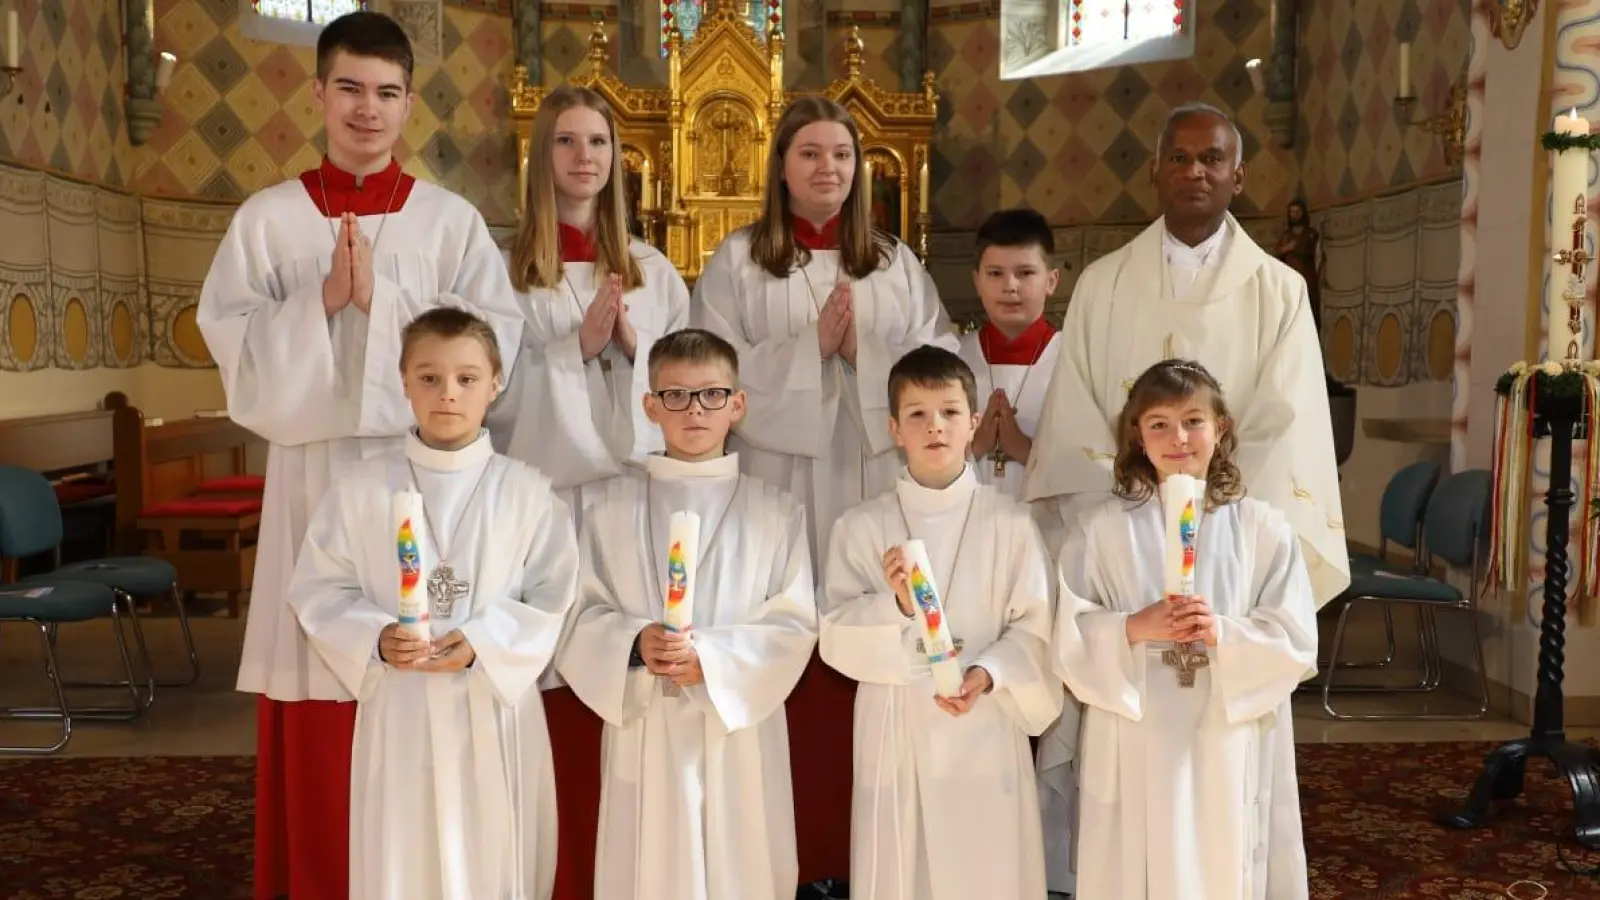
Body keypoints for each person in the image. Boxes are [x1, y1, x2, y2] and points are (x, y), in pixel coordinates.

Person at [193, 12, 524, 900]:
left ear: (409, 101)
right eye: (349, 88)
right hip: (315, 476)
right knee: (320, 670)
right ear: (318, 94)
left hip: (421, 482)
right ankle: (319, 875)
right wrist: (322, 301)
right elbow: (227, 337)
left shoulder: (450, 221)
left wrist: (385, 303)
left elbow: (497, 339)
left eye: (386, 92)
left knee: (423, 663)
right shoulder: (267, 220)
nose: (367, 110)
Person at [691, 95, 957, 892]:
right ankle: (786, 850)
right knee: (783, 635)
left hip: (873, 472)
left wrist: (865, 353)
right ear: (780, 166)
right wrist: (809, 351)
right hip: (774, 476)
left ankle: (864, 853)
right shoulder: (738, 260)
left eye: (841, 155)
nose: (827, 169)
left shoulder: (894, 261)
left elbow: (937, 363)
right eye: (810, 154)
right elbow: (711, 369)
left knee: (869, 625)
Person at [287, 306, 579, 900]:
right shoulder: (363, 488)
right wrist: (372, 635)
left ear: (495, 385)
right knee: (404, 851)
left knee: (495, 848)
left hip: (492, 708)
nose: (448, 393)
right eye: (429, 377)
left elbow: (555, 595)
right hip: (402, 706)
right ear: (403, 382)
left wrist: (485, 642)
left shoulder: (527, 493)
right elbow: (318, 586)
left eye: (467, 379)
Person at [485, 85, 691, 898]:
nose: (584, 158)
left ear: (619, 160)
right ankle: (548, 865)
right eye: (567, 142)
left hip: (627, 504)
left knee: (618, 670)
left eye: (598, 143)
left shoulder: (654, 271)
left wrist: (636, 349)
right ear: (543, 157)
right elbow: (488, 394)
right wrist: (576, 347)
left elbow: (692, 389)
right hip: (541, 502)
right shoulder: (503, 270)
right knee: (545, 679)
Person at [1025, 101, 1348, 606]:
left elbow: (1285, 424)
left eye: (1212, 159)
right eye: (1178, 158)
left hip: (1233, 537)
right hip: (1123, 535)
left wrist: (1214, 509)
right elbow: (1076, 416)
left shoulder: (1281, 292)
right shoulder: (1101, 285)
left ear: (1237, 177)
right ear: (1154, 172)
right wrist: (1133, 508)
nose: (1195, 170)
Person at [558, 328, 817, 900]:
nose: (694, 410)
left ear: (738, 404)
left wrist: (714, 662)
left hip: (738, 735)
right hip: (645, 728)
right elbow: (577, 615)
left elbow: (795, 624)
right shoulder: (611, 512)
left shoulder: (774, 513)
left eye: (711, 395)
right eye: (675, 396)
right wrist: (633, 644)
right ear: (650, 407)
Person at [1053, 358, 1315, 900]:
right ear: (1137, 436)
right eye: (1159, 424)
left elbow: (1293, 636)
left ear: (1220, 428)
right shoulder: (1102, 528)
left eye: (1194, 421)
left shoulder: (1261, 528)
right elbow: (1070, 631)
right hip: (1136, 732)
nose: (1178, 437)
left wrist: (1224, 633)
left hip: (1223, 731)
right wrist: (1132, 626)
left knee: (1218, 857)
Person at [820, 345, 1060, 900]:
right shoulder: (860, 527)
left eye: (950, 412)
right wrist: (899, 608)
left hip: (985, 721)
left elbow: (1036, 627)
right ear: (894, 429)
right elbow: (834, 630)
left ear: (974, 424)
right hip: (896, 723)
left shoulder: (1012, 523)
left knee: (986, 869)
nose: (935, 427)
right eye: (917, 415)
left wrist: (991, 672)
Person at [1272, 198, 1323, 333]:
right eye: (1292, 212)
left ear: (1303, 213)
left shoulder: (1311, 234)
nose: (1294, 215)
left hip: (1308, 280)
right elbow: (1276, 255)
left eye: (1297, 212)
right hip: (1290, 282)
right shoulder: (1286, 236)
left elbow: (1319, 256)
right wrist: (1286, 249)